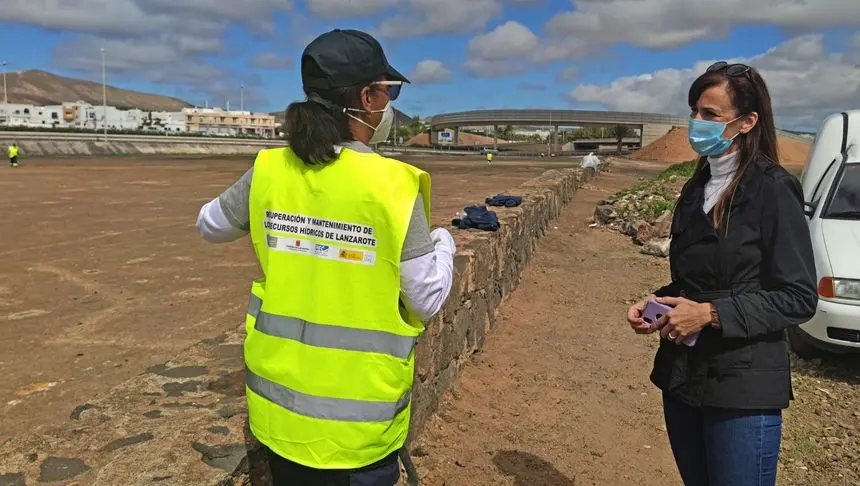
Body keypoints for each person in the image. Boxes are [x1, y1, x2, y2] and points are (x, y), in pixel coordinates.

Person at [196, 29, 456, 485]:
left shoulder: (270, 169)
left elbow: (210, 225)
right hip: (358, 428)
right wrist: (444, 244)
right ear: (366, 98)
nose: (388, 102)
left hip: (281, 419)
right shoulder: (390, 185)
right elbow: (425, 298)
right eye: (387, 91)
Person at [626, 61, 817, 486]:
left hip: (743, 388)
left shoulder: (773, 188)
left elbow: (799, 296)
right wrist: (658, 304)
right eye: (695, 111)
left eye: (711, 115)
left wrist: (710, 314)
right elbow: (697, 279)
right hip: (683, 376)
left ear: (747, 121)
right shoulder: (697, 186)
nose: (697, 123)